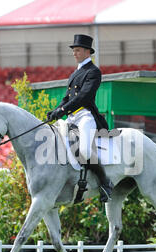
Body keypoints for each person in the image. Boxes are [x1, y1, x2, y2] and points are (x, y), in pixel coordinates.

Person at [46, 34, 112, 202]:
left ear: (87, 52)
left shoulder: (93, 72)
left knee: (84, 151)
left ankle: (105, 182)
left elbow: (83, 97)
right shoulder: (75, 73)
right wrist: (55, 111)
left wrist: (62, 110)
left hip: (85, 116)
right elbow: (67, 97)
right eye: (74, 50)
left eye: (77, 50)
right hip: (72, 116)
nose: (74, 53)